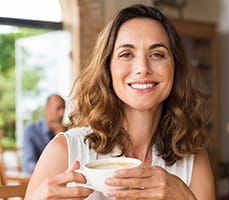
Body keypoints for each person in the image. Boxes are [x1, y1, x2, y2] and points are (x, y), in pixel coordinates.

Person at [24, 4, 215, 200]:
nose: (142, 68)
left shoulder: (193, 157)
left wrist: (186, 198)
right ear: (108, 69)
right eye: (126, 54)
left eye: (157, 54)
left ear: (175, 68)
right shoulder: (65, 150)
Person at [22, 94, 66, 174]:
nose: (62, 114)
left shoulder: (66, 132)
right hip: (35, 179)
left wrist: (62, 137)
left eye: (63, 108)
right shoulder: (31, 130)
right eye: (58, 108)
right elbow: (29, 164)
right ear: (46, 109)